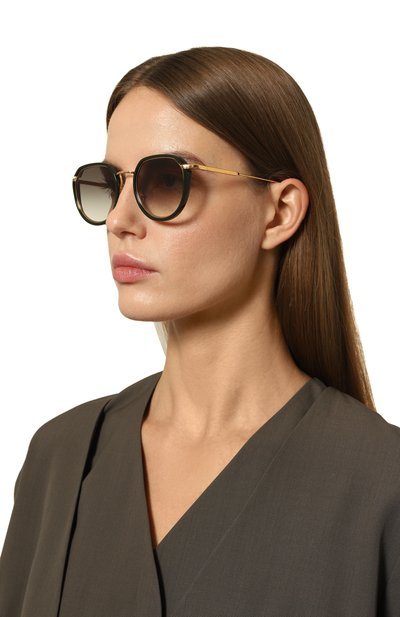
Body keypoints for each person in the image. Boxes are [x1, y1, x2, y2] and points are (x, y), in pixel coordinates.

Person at [0, 46, 399, 617]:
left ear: (280, 212)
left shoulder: (380, 483)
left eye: (166, 180)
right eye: (110, 184)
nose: (119, 220)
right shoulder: (60, 458)